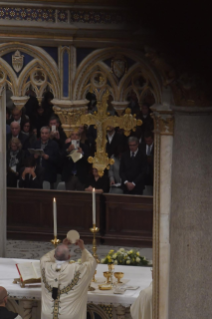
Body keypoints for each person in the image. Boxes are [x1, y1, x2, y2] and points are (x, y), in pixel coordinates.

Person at [40, 238, 96, 319]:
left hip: (48, 313)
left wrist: (63, 246)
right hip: (69, 314)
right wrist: (82, 248)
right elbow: (91, 262)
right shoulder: (78, 269)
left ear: (54, 256)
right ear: (69, 256)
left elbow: (44, 258)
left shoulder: (45, 266)